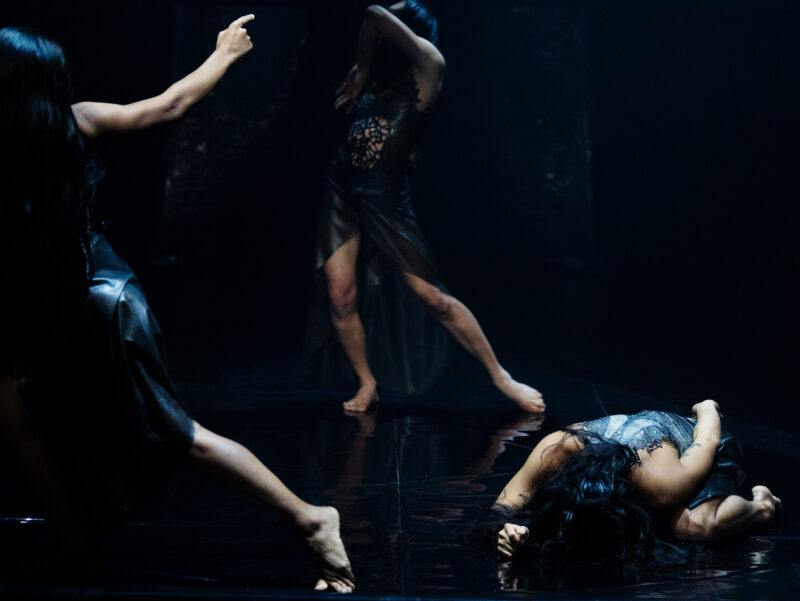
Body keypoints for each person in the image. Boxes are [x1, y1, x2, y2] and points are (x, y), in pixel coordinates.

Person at [0, 19, 354, 593]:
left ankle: (311, 518)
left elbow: (169, 105)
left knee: (175, 433)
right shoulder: (66, 124)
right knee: (15, 409)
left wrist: (224, 54)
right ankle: (75, 542)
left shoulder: (71, 125)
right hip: (60, 302)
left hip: (98, 302)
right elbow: (168, 105)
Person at [303, 2, 545, 414]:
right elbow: (372, 22)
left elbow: (374, 13)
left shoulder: (430, 64)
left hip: (385, 197)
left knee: (433, 297)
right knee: (340, 296)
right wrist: (366, 71)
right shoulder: (381, 79)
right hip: (342, 188)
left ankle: (502, 378)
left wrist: (361, 65)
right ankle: (367, 382)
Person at [487, 401, 780, 568]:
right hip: (649, 459)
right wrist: (506, 530)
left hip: (702, 443)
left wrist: (706, 408)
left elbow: (709, 438)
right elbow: (504, 505)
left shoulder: (662, 482)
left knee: (692, 526)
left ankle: (762, 506)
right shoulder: (554, 449)